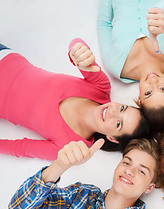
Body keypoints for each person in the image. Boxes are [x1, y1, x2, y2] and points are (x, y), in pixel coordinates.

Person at [0, 39, 150, 160]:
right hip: (6, 57)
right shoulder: (101, 88)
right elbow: (77, 44)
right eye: (122, 108)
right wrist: (79, 51)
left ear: (113, 138)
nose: (113, 112)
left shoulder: (68, 147)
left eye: (118, 123)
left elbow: (21, 148)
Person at [9, 138, 164, 209]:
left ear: (149, 188)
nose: (129, 171)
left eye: (141, 171)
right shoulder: (81, 196)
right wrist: (59, 166)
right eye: (126, 163)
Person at [97, 0, 164, 130]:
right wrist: (161, 10)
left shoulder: (114, 65)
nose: (153, 82)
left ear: (139, 100)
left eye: (148, 93)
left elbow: (104, 24)